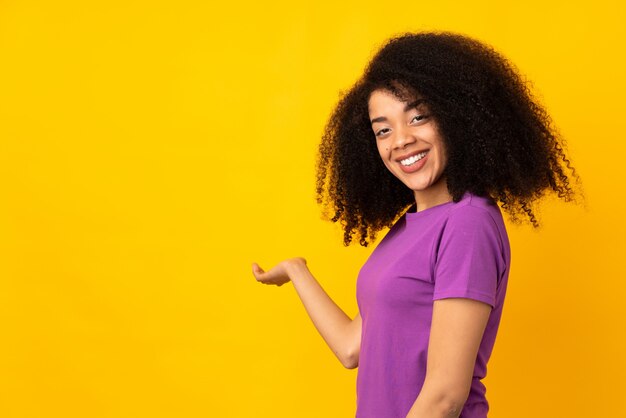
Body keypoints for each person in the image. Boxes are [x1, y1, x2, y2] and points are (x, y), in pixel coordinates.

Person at [252, 31, 580, 418]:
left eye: (418, 117)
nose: (401, 140)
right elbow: (353, 347)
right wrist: (297, 270)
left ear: (456, 117)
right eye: (383, 130)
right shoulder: (407, 228)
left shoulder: (467, 222)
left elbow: (445, 396)